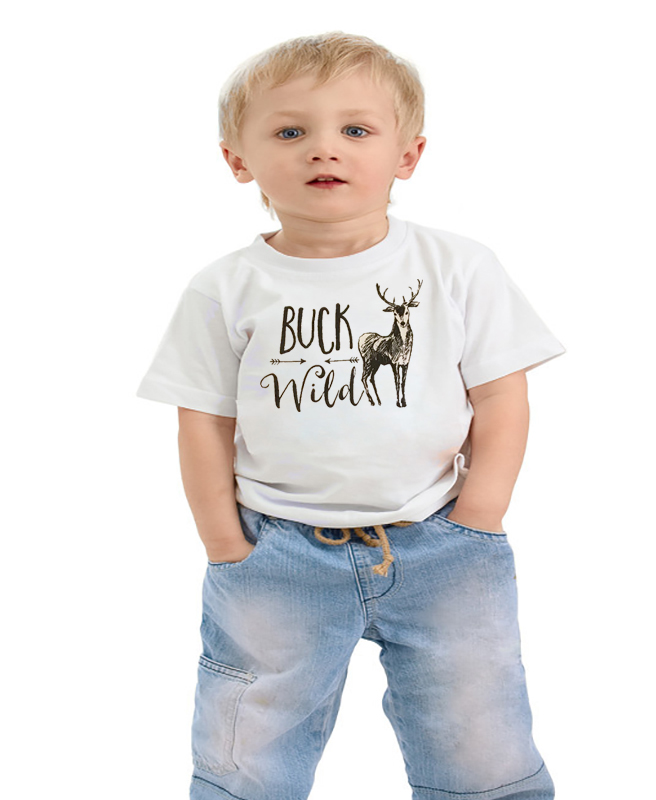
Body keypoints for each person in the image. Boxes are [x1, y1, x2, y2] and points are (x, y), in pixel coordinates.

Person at [137, 31, 565, 800]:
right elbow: (201, 420)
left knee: (477, 730)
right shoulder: (224, 289)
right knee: (251, 744)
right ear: (237, 159)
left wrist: (482, 514)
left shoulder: (457, 268)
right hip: (277, 551)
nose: (323, 149)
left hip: (441, 541)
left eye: (356, 129)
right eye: (290, 131)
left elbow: (501, 393)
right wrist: (226, 544)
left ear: (409, 154)